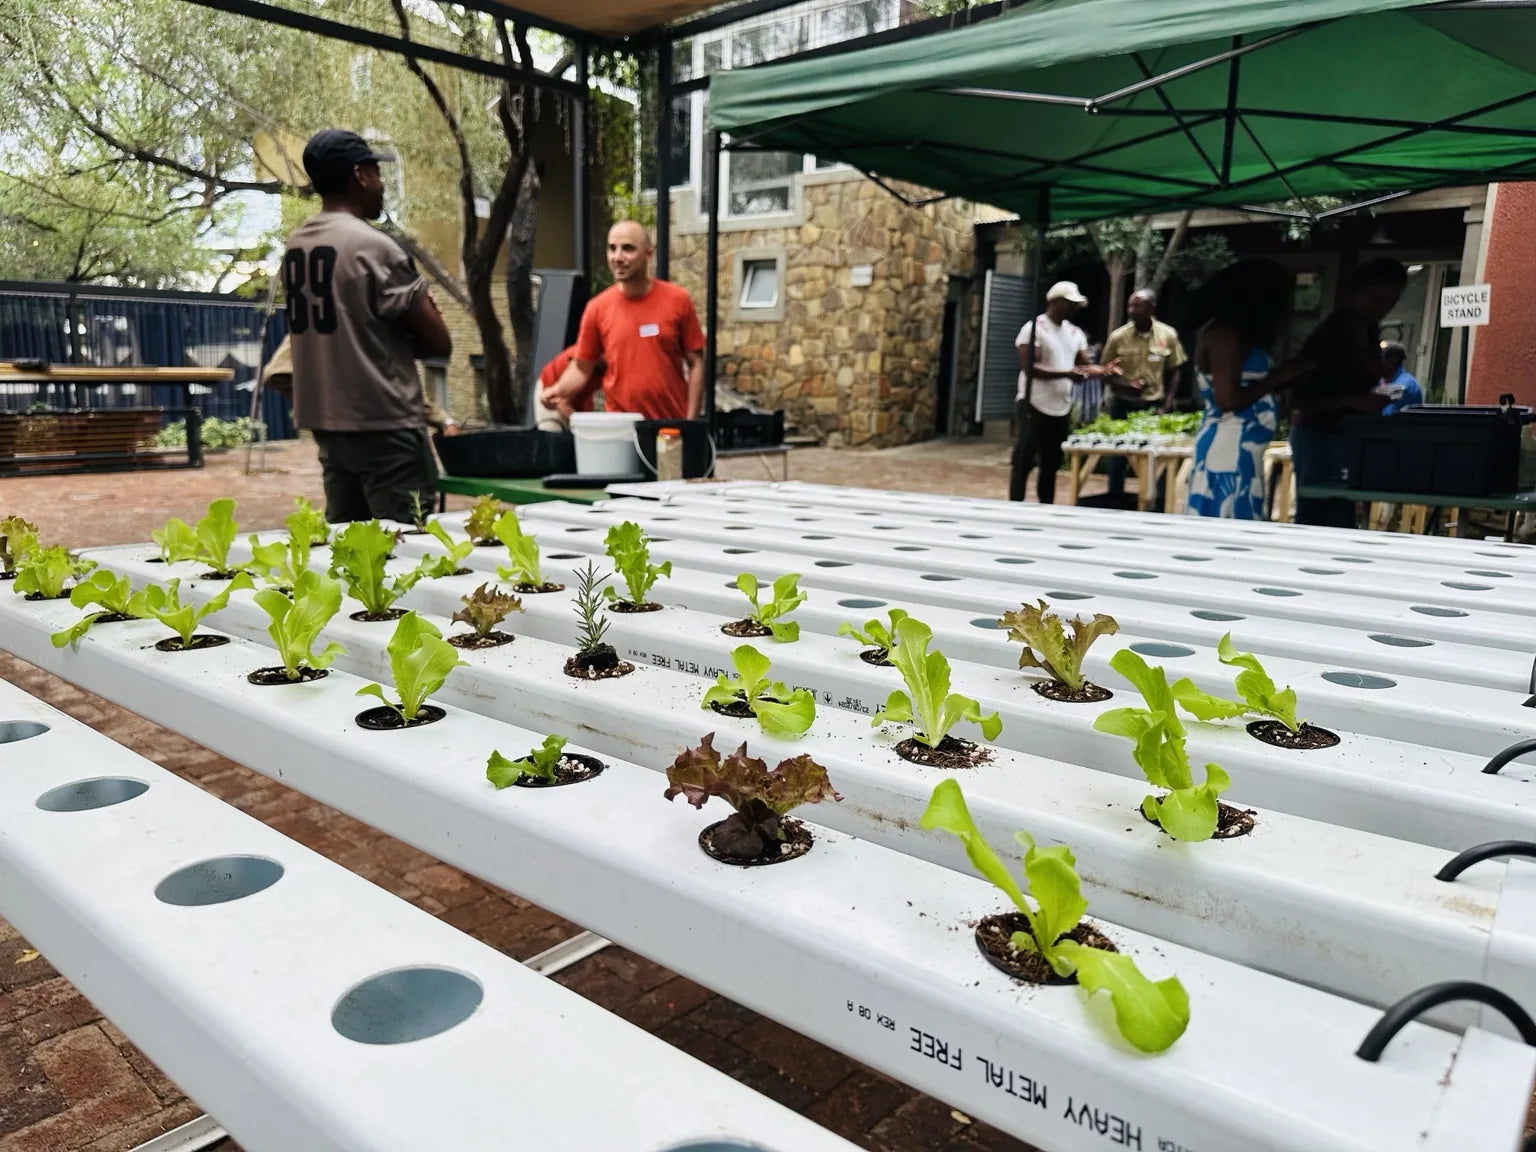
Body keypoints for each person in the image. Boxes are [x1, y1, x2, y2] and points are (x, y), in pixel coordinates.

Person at [282, 128, 452, 523]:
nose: (381, 185)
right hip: (385, 426)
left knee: (349, 554)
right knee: (404, 556)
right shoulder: (374, 247)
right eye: (377, 174)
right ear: (360, 175)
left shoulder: (297, 245)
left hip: (329, 427)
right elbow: (437, 343)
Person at [1185, 260, 1310, 519]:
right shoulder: (1224, 334)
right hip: (1228, 448)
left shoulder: (1238, 335)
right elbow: (1227, 399)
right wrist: (1277, 377)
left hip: (1241, 448)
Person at [544, 221, 706, 421]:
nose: (617, 257)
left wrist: (690, 422)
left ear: (649, 254)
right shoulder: (597, 308)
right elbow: (581, 368)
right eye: (612, 248)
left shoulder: (677, 300)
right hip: (621, 426)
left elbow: (696, 363)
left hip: (669, 424)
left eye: (628, 248)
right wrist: (557, 390)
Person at [1290, 258, 1409, 528]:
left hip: (1345, 433)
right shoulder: (1335, 329)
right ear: (1356, 291)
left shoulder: (1368, 327)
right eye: (1376, 300)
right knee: (1317, 513)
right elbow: (1299, 396)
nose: (1383, 308)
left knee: (1341, 512)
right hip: (1317, 433)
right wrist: (1353, 401)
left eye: (1391, 303)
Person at [1010, 281, 1114, 503]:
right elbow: (1029, 367)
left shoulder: (1074, 333)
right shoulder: (1035, 328)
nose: (1073, 308)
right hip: (1034, 403)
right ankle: (1015, 504)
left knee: (1051, 463)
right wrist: (1066, 373)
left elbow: (1083, 365)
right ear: (1054, 302)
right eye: (1069, 303)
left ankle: (1046, 507)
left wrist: (1104, 371)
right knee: (1024, 461)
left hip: (1060, 407)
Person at [262, 333, 460, 436]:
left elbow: (277, 373)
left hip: (335, 438)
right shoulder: (358, 318)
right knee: (402, 511)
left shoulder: (317, 309)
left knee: (348, 514)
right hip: (384, 436)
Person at [1101, 288, 1189, 499]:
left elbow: (1175, 370)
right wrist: (1124, 384)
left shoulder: (1167, 335)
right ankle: (1116, 497)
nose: (1131, 310)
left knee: (1157, 454)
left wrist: (1167, 403)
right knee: (1118, 455)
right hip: (1123, 404)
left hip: (1153, 405)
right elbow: (1104, 372)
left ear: (1151, 308)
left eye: (1137, 305)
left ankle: (1157, 502)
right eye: (1130, 305)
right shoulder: (1118, 337)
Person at [533, 345, 603, 431]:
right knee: (552, 433)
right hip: (550, 392)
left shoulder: (610, 363)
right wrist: (584, 428)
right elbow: (561, 402)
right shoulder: (580, 356)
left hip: (581, 398)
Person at [1376, 341, 1423, 416]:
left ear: (1392, 361)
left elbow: (1386, 416)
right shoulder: (1382, 380)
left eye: (1379, 358)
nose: (1374, 362)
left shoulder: (1405, 384)